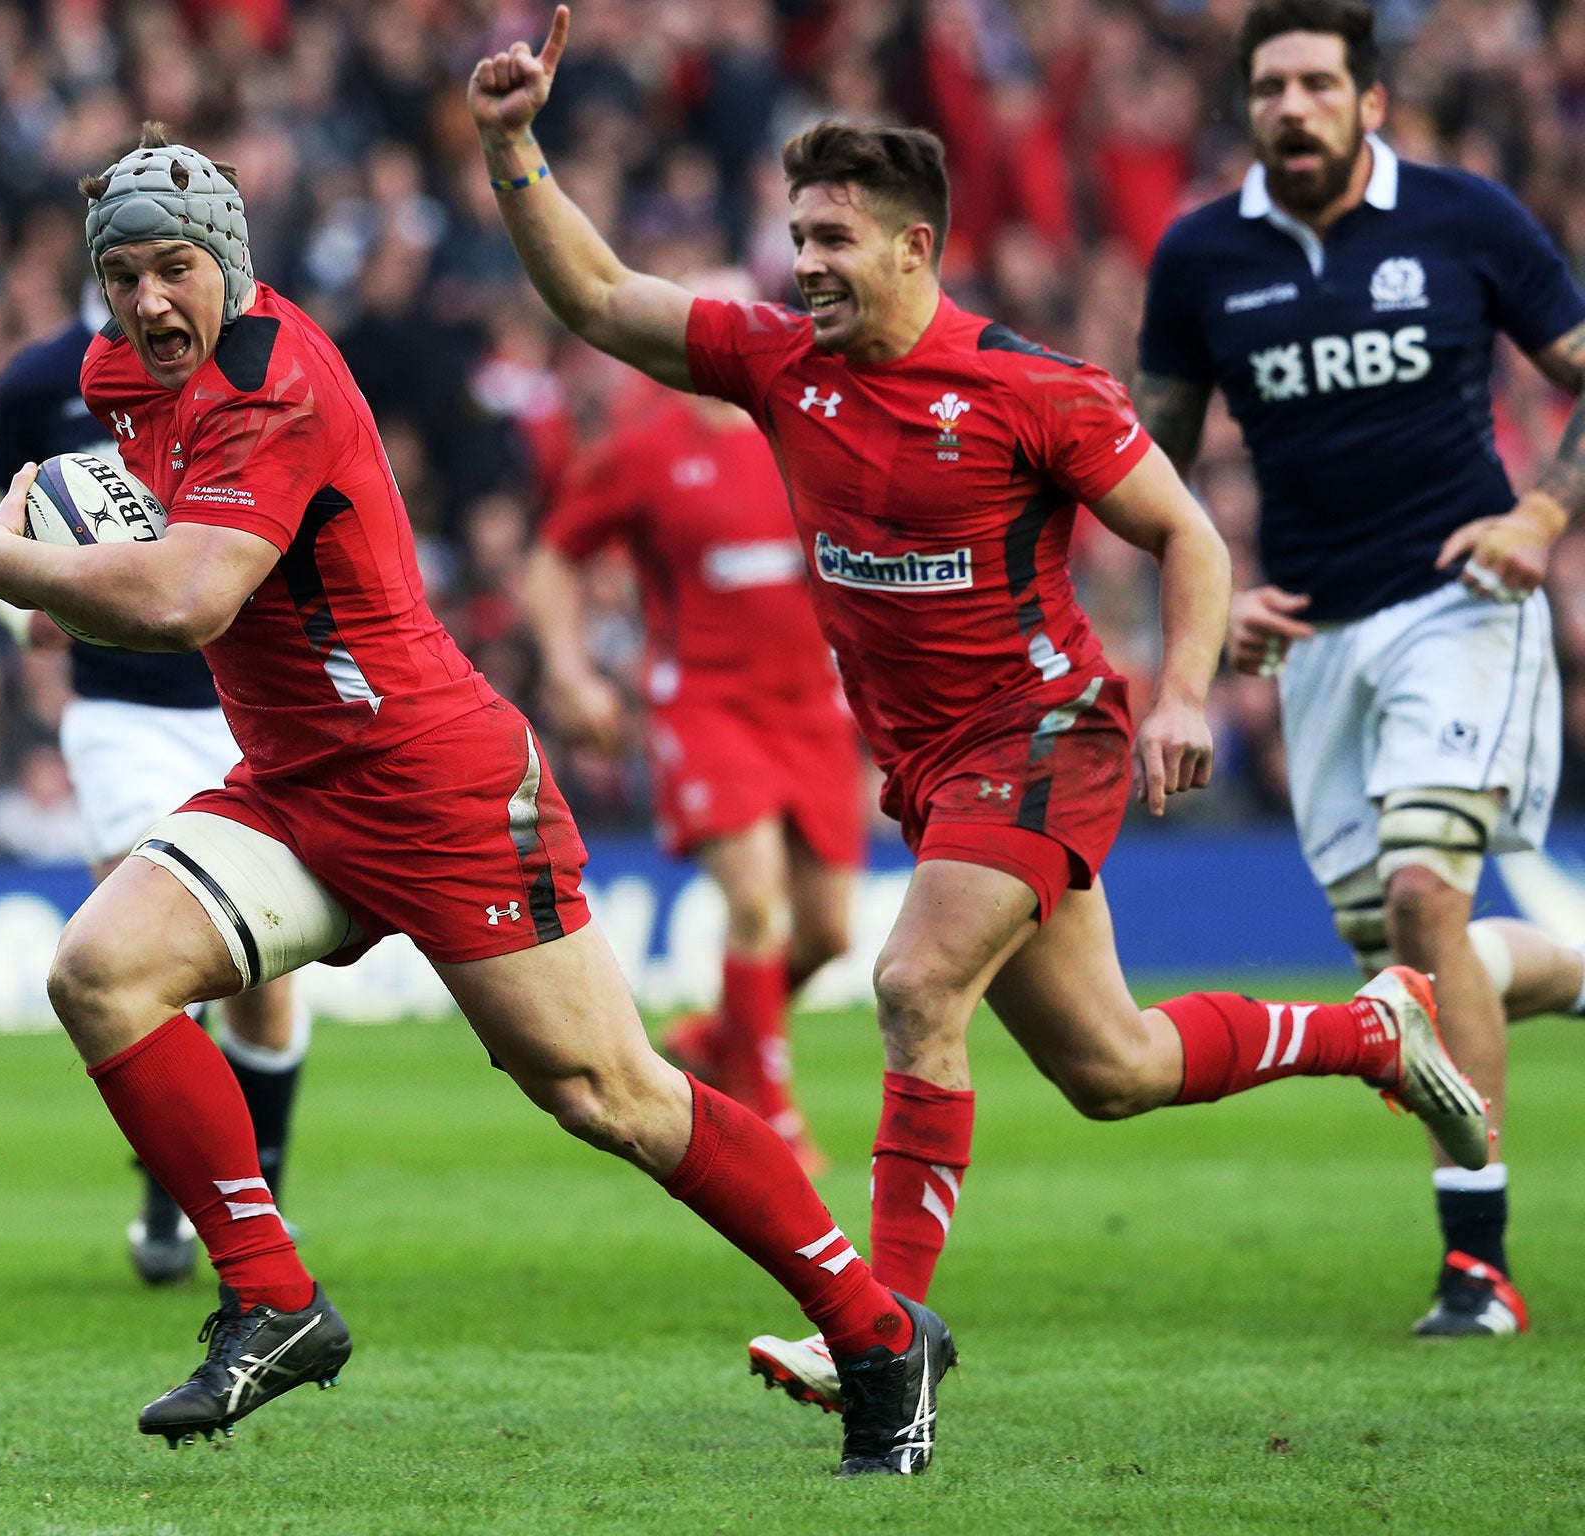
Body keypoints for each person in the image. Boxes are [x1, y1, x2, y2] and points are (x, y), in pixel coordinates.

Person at [471, 6, 1488, 1423]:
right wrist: (512, 145)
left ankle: (882, 1330)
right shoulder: (779, 366)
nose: (807, 263)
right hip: (933, 768)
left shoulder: (1032, 391)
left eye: (834, 240)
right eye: (799, 237)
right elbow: (596, 296)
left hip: (1047, 734)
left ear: (912, 248)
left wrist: (1186, 688)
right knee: (1113, 1068)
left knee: (909, 985)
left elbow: (1190, 541)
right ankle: (1373, 1033)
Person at [0, 121, 949, 1479]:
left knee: (610, 1095)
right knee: (98, 972)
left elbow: (187, 599)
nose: (148, 301)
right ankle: (272, 1294)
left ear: (232, 267)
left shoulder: (278, 380)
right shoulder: (114, 375)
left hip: (436, 784)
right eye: (123, 273)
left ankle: (874, 1333)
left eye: (175, 269)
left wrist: (13, 566)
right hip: (296, 786)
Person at [1133, 0, 1585, 1336]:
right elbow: (1143, 468)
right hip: (1313, 638)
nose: (1294, 106)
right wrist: (1217, 614)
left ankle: (1476, 1262)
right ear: (1249, 106)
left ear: (1369, 102)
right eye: (1271, 86)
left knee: (1422, 891)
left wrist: (1542, 517)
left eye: (1321, 83)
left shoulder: (1466, 220)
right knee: (1406, 962)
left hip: (1464, 601)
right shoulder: (1199, 257)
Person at [0, 293, 311, 1288]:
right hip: (119, 713)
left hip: (248, 705)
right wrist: (8, 596)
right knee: (142, 948)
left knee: (261, 985)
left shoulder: (249, 370)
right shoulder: (40, 379)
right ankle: (178, 1185)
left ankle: (255, 1193)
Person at [525, 278, 865, 1174]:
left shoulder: (807, 432)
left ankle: (721, 1033)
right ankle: (773, 1116)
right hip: (705, 703)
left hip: (812, 710)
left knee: (826, 932)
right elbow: (552, 561)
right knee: (755, 902)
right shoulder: (640, 450)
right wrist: (570, 671)